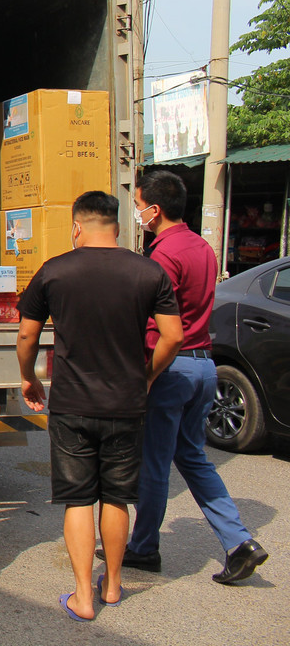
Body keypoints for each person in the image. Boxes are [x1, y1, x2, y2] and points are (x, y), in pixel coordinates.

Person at [16, 191, 183, 622]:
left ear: (77, 226)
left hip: (72, 403)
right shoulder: (149, 272)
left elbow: (26, 336)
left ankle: (81, 597)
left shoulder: (55, 271)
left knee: (78, 500)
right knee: (117, 498)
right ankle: (110, 585)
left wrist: (29, 377)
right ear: (118, 225)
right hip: (127, 402)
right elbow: (174, 337)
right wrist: (148, 376)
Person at [111, 170, 268, 583]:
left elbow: (159, 327)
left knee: (155, 462)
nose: (138, 212)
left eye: (139, 204)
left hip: (172, 367)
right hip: (202, 366)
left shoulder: (163, 256)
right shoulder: (202, 247)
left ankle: (143, 548)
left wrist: (145, 375)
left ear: (155, 209)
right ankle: (239, 542)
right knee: (193, 457)